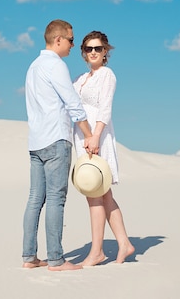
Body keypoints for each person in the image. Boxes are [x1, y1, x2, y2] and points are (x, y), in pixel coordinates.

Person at [22, 19, 96, 271]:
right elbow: (73, 103)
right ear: (58, 40)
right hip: (55, 139)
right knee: (56, 199)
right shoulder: (56, 66)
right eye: (71, 40)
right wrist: (88, 134)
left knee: (35, 199)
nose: (74, 45)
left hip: (36, 141)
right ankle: (56, 259)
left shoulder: (33, 67)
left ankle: (29, 257)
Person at [72, 31, 135, 266]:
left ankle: (96, 252)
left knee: (95, 191)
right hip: (82, 137)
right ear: (83, 52)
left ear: (106, 51)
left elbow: (105, 109)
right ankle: (125, 243)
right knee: (103, 193)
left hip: (97, 136)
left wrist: (95, 136)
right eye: (89, 49)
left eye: (98, 48)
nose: (93, 53)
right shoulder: (81, 78)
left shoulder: (106, 75)